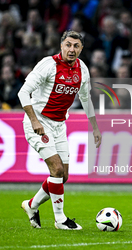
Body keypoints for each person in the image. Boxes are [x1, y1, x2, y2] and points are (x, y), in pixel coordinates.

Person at [18, 30, 101, 230]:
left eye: (76, 46)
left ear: (81, 49)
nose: (71, 49)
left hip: (59, 125)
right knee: (55, 169)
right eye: (68, 45)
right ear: (61, 45)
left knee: (62, 176)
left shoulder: (82, 69)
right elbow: (23, 93)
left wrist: (95, 128)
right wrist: (34, 121)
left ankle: (32, 205)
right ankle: (60, 219)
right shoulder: (48, 65)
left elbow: (85, 99)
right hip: (38, 123)